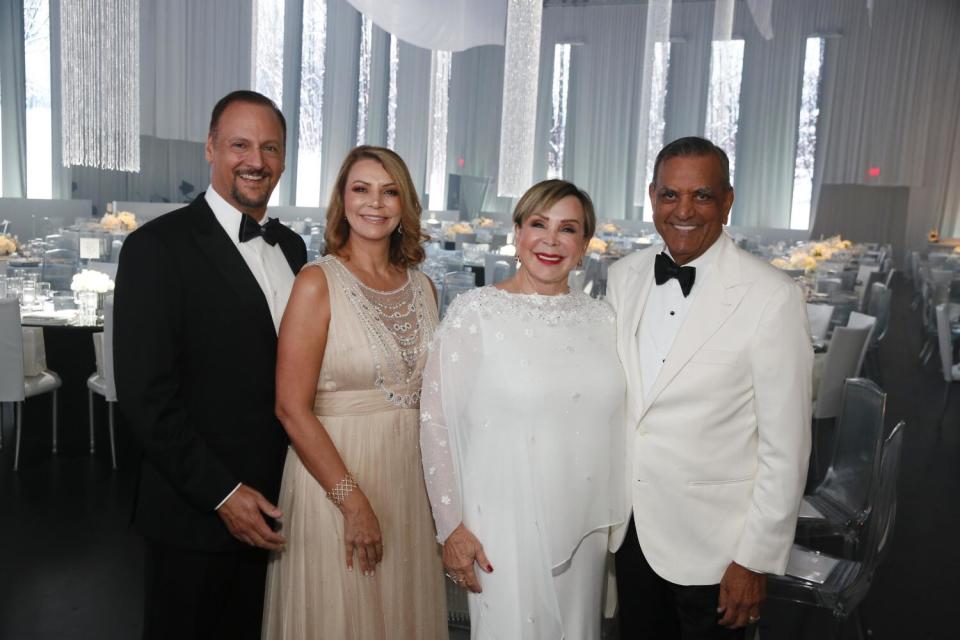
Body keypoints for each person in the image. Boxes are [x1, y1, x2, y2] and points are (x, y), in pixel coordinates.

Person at [113, 90, 307, 640]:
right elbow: (147, 397)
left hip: (281, 508)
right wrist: (223, 494)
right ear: (210, 149)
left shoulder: (292, 248)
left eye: (270, 147)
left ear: (285, 159)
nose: (256, 160)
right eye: (239, 144)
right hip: (195, 513)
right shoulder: (157, 248)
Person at [606, 136, 812, 639]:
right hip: (630, 532)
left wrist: (754, 559)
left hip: (717, 550)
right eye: (670, 195)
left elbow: (786, 447)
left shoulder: (772, 296)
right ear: (652, 195)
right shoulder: (623, 276)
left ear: (727, 200)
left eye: (701, 196)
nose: (684, 210)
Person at [421, 179, 626, 640]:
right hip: (502, 528)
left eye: (568, 229)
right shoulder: (475, 315)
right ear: (517, 234)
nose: (551, 240)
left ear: (585, 244)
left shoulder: (604, 319)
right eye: (538, 224)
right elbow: (435, 422)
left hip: (584, 526)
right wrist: (451, 528)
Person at [261, 146, 447, 639]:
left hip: (408, 483)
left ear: (405, 204)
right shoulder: (316, 283)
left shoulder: (424, 287)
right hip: (337, 480)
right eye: (361, 189)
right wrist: (352, 501)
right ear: (342, 201)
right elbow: (289, 407)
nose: (375, 203)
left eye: (390, 192)